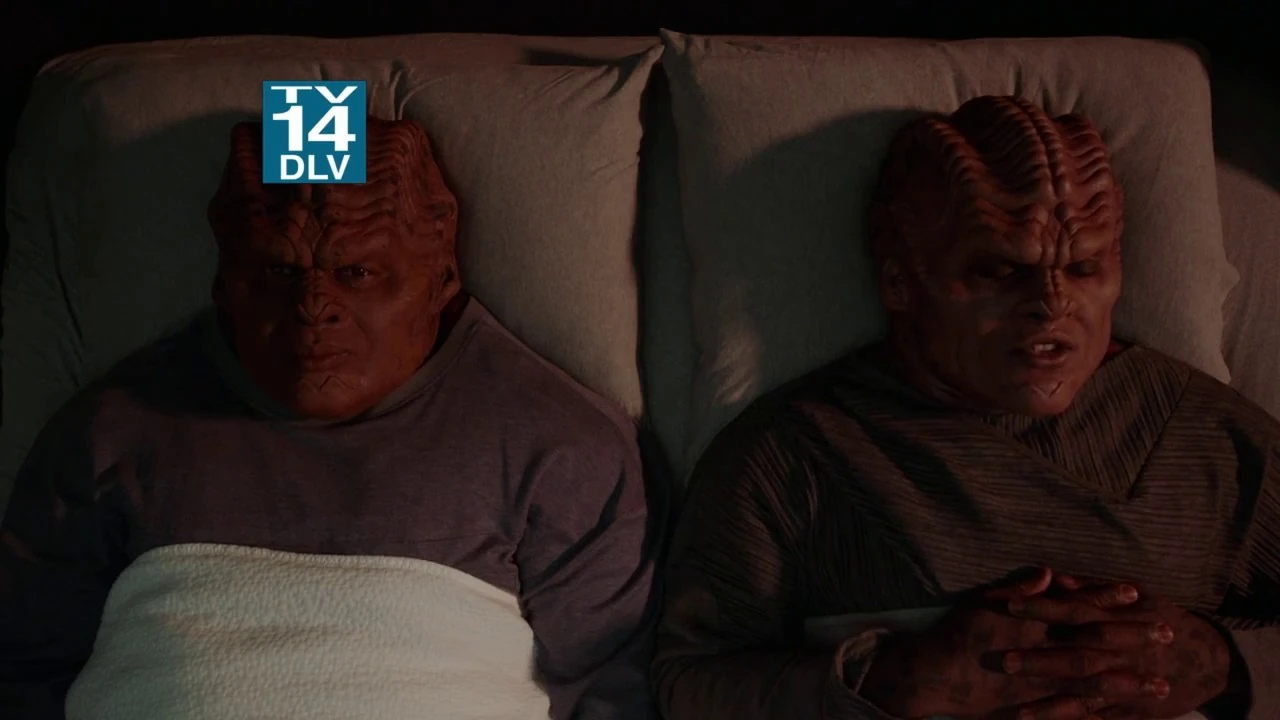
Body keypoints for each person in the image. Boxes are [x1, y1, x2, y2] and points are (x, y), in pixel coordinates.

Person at [0, 117, 659, 720]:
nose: (315, 305)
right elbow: (24, 666)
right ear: (225, 280)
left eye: (358, 271)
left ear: (440, 274)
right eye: (278, 271)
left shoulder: (560, 445)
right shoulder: (110, 430)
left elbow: (611, 693)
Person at [652, 95, 1278, 720]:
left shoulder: (1208, 441)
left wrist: (1223, 664)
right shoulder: (794, 456)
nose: (1052, 303)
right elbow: (686, 684)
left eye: (1084, 267)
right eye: (1000, 270)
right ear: (900, 278)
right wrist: (893, 682)